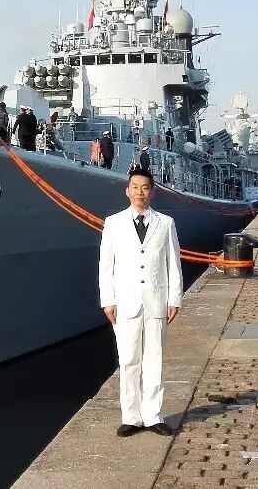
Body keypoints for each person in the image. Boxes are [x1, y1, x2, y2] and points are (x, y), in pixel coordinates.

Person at [98, 168, 182, 438]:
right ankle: (131, 417)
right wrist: (108, 300)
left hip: (156, 301)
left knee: (155, 360)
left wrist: (174, 298)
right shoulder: (113, 223)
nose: (140, 193)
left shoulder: (166, 223)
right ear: (127, 191)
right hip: (125, 302)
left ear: (152, 192)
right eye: (135, 187)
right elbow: (105, 266)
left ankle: (153, 415)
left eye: (145, 187)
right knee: (128, 360)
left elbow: (173, 263)